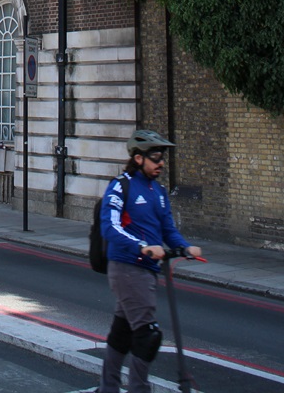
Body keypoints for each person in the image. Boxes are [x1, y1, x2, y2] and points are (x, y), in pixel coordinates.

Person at [97, 129, 202, 393]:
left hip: (145, 270)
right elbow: (109, 228)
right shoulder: (121, 186)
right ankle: (138, 389)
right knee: (148, 334)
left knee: (122, 333)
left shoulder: (159, 191)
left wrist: (184, 247)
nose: (161, 163)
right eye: (156, 157)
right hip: (127, 268)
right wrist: (143, 247)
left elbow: (168, 228)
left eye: (162, 157)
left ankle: (108, 388)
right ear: (139, 158)